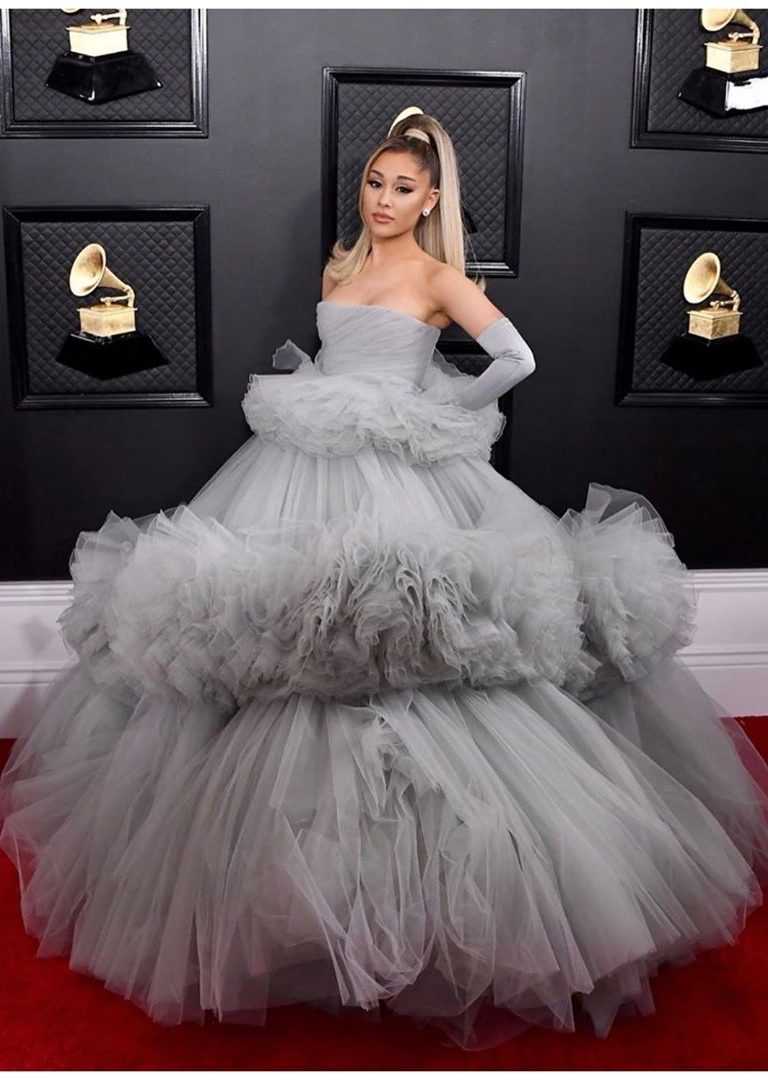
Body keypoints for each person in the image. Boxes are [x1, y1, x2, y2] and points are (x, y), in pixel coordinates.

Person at [1, 107, 767, 1054]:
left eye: (404, 188)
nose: (385, 199)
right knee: (287, 624)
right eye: (375, 183)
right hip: (303, 464)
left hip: (403, 472)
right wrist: (341, 396)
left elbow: (516, 358)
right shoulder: (340, 267)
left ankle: (435, 873)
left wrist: (443, 408)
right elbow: (336, 358)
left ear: (433, 198)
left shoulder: (441, 278)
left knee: (410, 627)